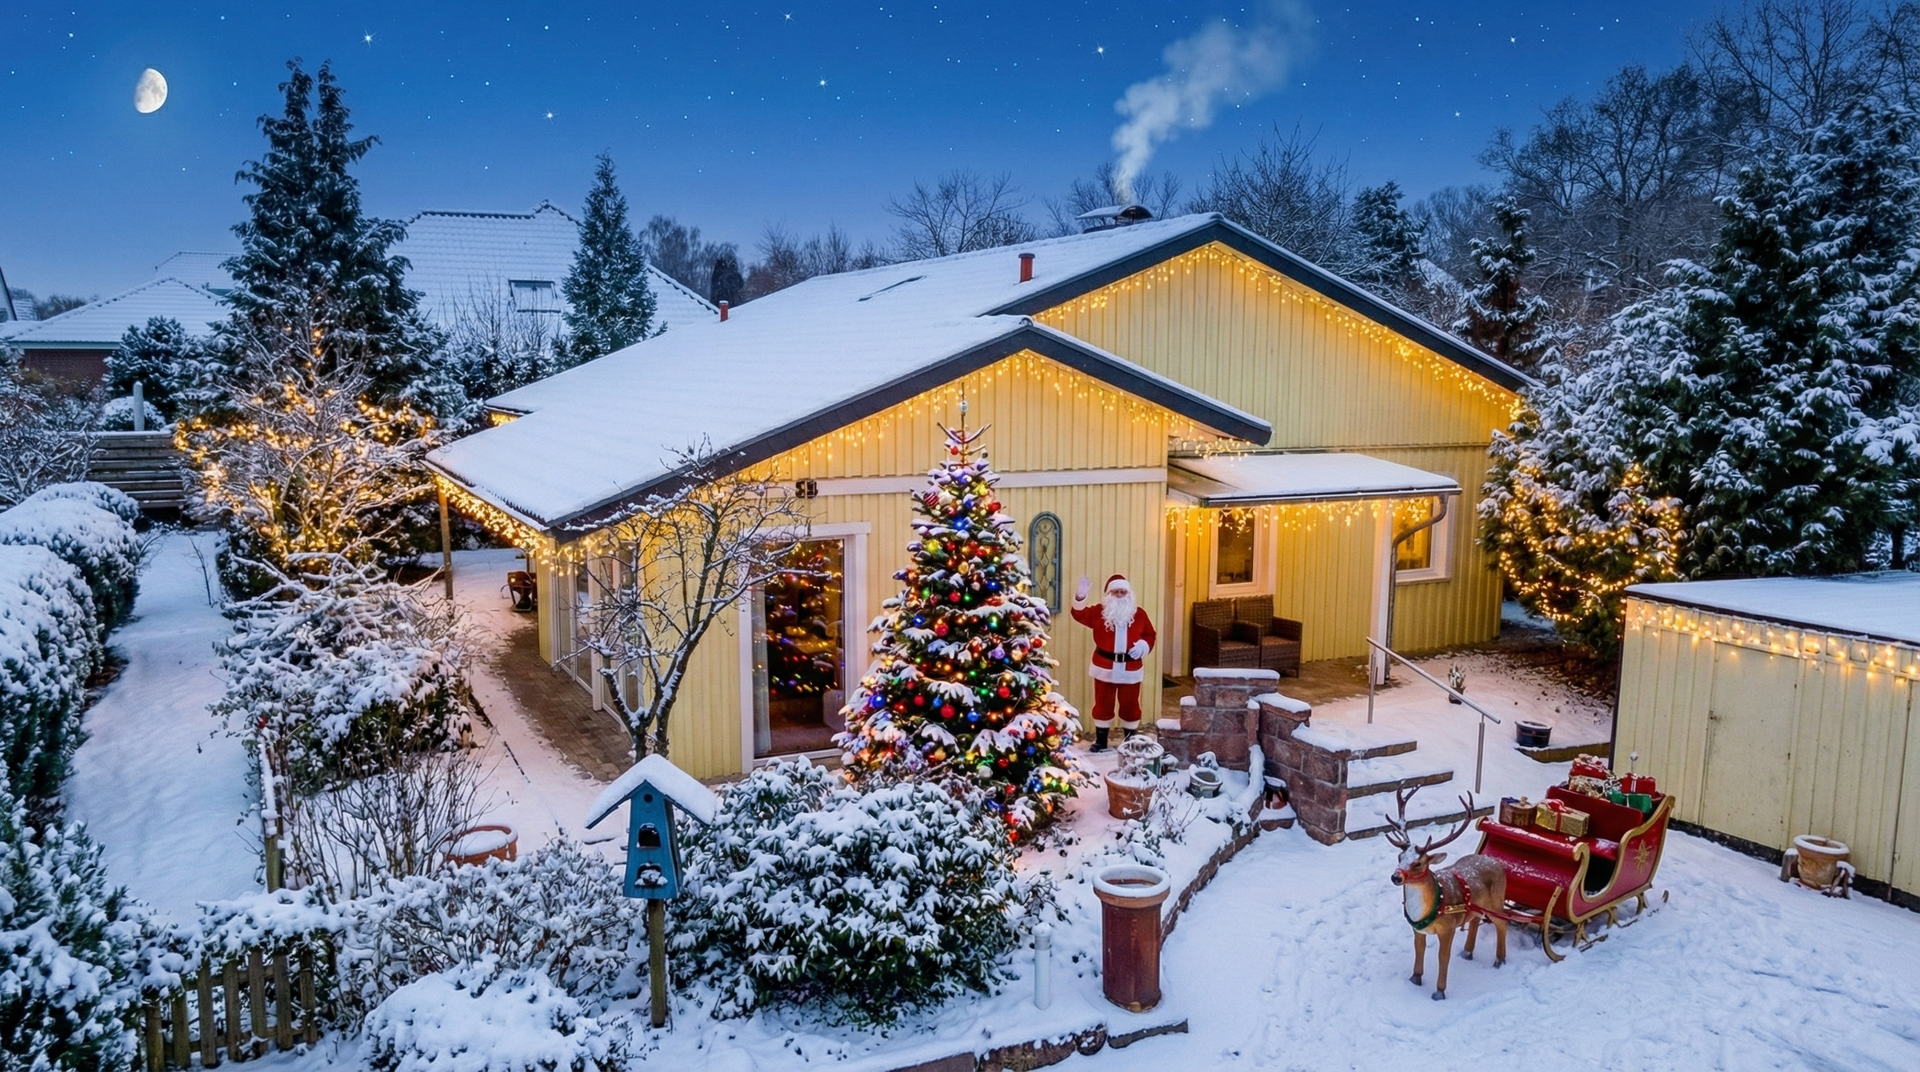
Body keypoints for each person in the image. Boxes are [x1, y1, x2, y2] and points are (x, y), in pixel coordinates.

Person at [1069, 573, 1157, 751]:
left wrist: (1143, 646)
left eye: (1122, 592)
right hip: (1104, 668)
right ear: (1109, 595)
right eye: (1115, 592)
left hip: (1130, 668)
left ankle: (1130, 740)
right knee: (1102, 704)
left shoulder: (1139, 614)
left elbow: (1150, 635)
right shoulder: (1098, 613)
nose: (1119, 595)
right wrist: (1080, 596)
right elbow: (1078, 614)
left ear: (1129, 594)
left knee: (1131, 704)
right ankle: (1101, 741)